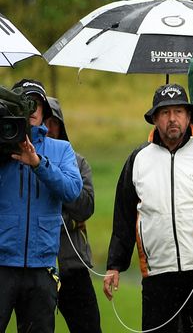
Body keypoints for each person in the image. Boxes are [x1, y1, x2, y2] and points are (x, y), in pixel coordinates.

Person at [103, 83, 193, 332]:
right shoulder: (138, 160)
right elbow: (124, 217)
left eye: (179, 111)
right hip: (157, 272)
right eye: (165, 112)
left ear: (189, 116)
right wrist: (114, 265)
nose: (172, 119)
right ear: (155, 118)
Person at [0, 79, 82, 333]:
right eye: (25, 102)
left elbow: (72, 190)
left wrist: (38, 163)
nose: (32, 109)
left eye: (37, 103)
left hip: (42, 267)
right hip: (2, 263)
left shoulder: (61, 149)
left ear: (45, 110)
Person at [46, 97, 101, 333]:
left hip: (72, 263)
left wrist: (56, 176)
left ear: (61, 126)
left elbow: (86, 208)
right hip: (33, 268)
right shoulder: (20, 162)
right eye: (42, 121)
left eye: (53, 122)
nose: (47, 129)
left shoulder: (78, 163)